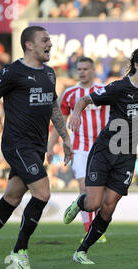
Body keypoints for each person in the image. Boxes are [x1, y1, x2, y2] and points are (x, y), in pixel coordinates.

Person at [0, 26, 74, 269]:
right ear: (29, 45)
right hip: (16, 144)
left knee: (11, 198)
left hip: (37, 146)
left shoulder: (50, 74)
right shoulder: (11, 72)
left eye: (50, 40)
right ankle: (20, 250)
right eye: (45, 40)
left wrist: (64, 137)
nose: (50, 44)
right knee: (42, 193)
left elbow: (53, 108)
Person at [61, 47, 138, 265]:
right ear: (136, 65)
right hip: (106, 150)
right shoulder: (119, 87)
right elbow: (85, 100)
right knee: (94, 203)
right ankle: (80, 202)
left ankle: (82, 251)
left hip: (127, 156)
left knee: (109, 207)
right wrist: (76, 113)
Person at [47, 56, 109, 243]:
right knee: (85, 186)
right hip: (80, 148)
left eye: (85, 68)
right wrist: (51, 145)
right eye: (79, 69)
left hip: (102, 149)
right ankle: (90, 231)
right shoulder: (69, 93)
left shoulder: (104, 91)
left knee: (101, 193)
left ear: (93, 71)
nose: (82, 72)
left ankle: (92, 222)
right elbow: (59, 122)